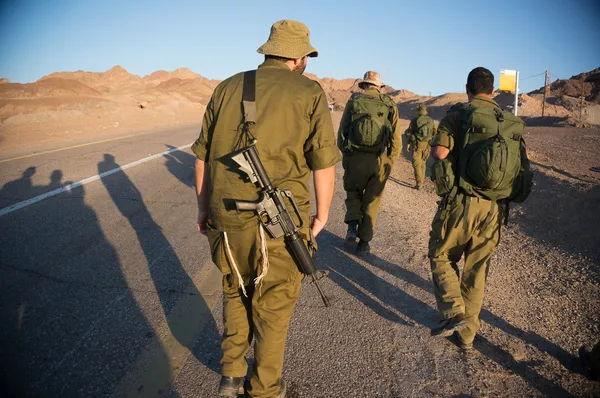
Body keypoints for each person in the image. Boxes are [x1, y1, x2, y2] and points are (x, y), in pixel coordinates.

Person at [192, 20, 340, 398]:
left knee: (235, 289)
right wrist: (323, 215)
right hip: (282, 224)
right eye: (306, 55)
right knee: (272, 307)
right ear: (298, 56)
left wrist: (202, 208)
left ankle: (230, 376)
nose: (307, 61)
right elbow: (323, 162)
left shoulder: (227, 86)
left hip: (226, 217)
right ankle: (264, 389)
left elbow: (203, 157)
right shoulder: (309, 91)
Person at [428, 67, 531, 349]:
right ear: (493, 91)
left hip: (462, 202)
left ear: (467, 88)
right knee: (476, 269)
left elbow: (440, 153)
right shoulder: (510, 121)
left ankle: (453, 312)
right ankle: (467, 335)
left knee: (441, 254)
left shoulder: (458, 114)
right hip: (496, 209)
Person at [337, 71, 402, 255]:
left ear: (364, 85)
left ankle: (351, 227)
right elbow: (396, 139)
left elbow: (342, 133)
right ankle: (364, 242)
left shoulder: (354, 101)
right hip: (378, 160)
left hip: (355, 157)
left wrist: (347, 156)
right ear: (379, 87)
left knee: (353, 192)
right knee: (372, 201)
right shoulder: (389, 104)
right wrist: (389, 161)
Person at [406, 104, 436, 190]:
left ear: (418, 111)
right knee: (423, 163)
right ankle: (421, 181)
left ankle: (419, 183)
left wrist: (408, 143)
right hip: (427, 145)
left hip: (417, 145)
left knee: (417, 164)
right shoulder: (431, 121)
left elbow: (409, 132)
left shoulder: (414, 121)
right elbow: (434, 132)